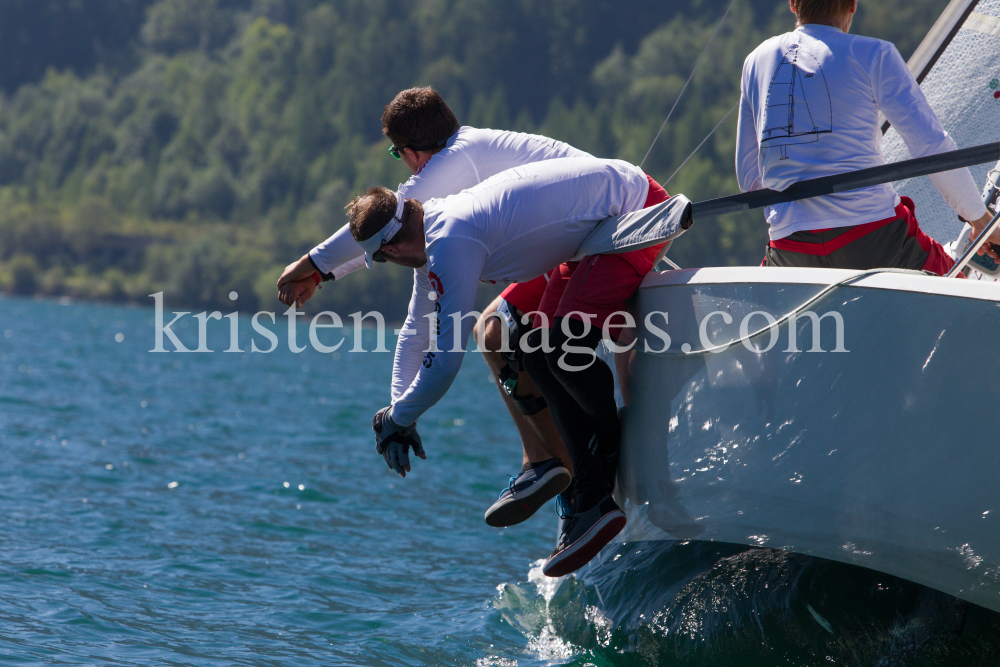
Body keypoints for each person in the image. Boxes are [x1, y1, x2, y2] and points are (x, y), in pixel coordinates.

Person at [276, 88, 594, 527]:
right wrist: (398, 412)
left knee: (495, 334)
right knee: (495, 334)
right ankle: (552, 466)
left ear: (409, 153)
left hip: (594, 232)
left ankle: (569, 472)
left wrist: (311, 265)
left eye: (397, 156)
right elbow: (415, 328)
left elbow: (372, 228)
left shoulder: (455, 162)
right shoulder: (440, 219)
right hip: (573, 241)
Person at [346, 157, 674, 576]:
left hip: (637, 212)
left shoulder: (450, 242)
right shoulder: (436, 227)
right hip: (595, 230)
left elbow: (445, 362)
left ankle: (607, 448)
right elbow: (415, 331)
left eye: (386, 260)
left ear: (390, 250)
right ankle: (591, 493)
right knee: (531, 349)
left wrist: (397, 419)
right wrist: (398, 411)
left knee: (558, 347)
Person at [736, 0, 1000, 272]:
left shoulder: (755, 60)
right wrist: (981, 220)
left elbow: (749, 178)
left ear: (793, 4)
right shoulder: (874, 53)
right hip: (876, 235)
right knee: (956, 293)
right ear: (852, 5)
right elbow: (931, 144)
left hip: (792, 246)